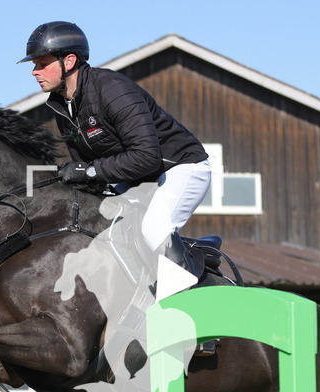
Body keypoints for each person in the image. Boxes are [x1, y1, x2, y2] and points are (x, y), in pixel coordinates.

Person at [20, 21, 211, 296]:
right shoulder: (62, 106)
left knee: (154, 229)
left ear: (69, 61)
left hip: (179, 168)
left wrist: (89, 172)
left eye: (41, 63)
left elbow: (146, 156)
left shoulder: (112, 89)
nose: (34, 71)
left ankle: (186, 303)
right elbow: (87, 167)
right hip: (135, 178)